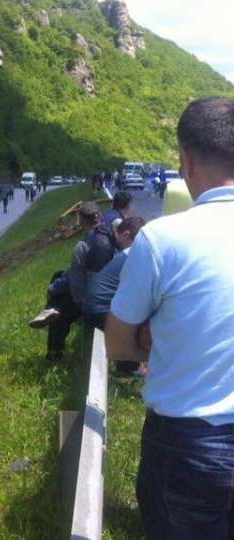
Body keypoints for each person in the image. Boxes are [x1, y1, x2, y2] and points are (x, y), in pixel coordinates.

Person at [106, 97, 234, 538]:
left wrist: (167, 334)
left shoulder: (162, 239)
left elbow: (118, 344)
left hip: (189, 445)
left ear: (186, 160)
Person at [29, 202, 110, 359]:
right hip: (109, 291)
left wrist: (52, 288)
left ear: (80, 221)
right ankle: (53, 309)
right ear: (100, 216)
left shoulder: (83, 245)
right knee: (60, 277)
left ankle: (54, 350)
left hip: (90, 298)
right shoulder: (111, 237)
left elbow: (75, 276)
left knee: (60, 307)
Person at [82, 216, 146, 374]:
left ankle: (129, 366)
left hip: (93, 307)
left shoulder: (126, 254)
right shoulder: (136, 254)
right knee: (147, 325)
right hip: (99, 310)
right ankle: (130, 368)